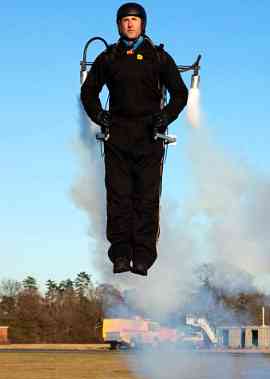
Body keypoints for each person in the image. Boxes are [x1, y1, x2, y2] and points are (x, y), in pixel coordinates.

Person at [81, 2, 188, 276]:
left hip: (149, 138)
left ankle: (143, 256)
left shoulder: (158, 58)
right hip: (117, 137)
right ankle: (120, 253)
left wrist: (166, 116)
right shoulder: (109, 58)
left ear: (143, 24)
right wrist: (99, 115)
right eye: (125, 20)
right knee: (118, 197)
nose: (130, 24)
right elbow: (89, 92)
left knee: (146, 198)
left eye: (135, 19)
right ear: (119, 25)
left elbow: (180, 93)